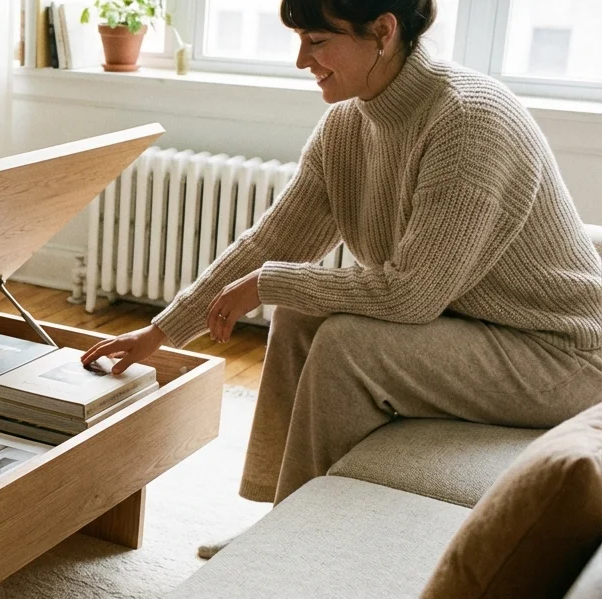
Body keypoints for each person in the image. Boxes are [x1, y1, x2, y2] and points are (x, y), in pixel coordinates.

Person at [82, 0, 602, 515]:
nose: (301, 60)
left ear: (382, 31)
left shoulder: (468, 121)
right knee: (299, 310)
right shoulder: (347, 126)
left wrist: (269, 282)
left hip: (562, 354)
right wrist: (161, 332)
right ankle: (280, 517)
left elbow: (412, 295)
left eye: (318, 41)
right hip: (473, 325)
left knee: (346, 344)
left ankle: (304, 536)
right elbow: (271, 244)